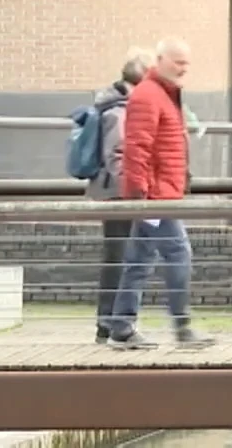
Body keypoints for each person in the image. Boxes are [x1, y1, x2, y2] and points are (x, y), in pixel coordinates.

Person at [104, 37, 213, 350]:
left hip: (158, 193)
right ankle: (182, 327)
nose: (184, 69)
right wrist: (139, 194)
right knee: (178, 254)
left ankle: (122, 327)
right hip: (156, 196)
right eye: (178, 62)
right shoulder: (151, 96)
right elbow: (137, 147)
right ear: (160, 60)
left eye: (187, 63)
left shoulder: (161, 95)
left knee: (139, 260)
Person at [89, 47, 149, 344]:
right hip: (120, 195)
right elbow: (118, 156)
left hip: (115, 193)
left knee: (120, 257)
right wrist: (136, 192)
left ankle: (109, 323)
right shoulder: (119, 111)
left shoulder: (117, 107)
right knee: (123, 257)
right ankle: (113, 324)